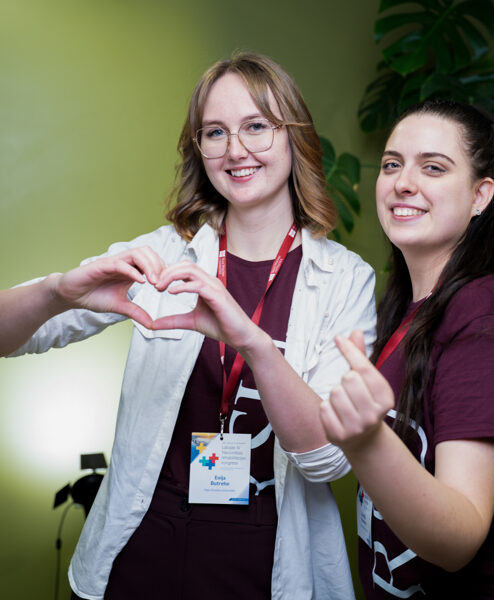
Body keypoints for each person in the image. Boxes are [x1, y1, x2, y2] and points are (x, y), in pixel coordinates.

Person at [0, 52, 376, 600]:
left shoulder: (345, 279)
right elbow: (9, 338)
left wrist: (252, 342)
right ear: (199, 149)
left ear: (294, 134)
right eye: (215, 132)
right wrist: (57, 291)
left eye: (257, 126)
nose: (236, 150)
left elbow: (327, 460)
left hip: (267, 551)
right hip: (144, 538)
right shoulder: (163, 253)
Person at [320, 100, 494, 599]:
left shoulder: (488, 318)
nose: (403, 182)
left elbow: (459, 537)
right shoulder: (411, 305)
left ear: (481, 195)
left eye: (433, 168)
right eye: (392, 164)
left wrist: (366, 439)